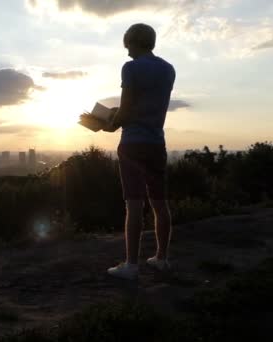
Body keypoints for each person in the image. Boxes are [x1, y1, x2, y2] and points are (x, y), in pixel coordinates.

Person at [104, 23, 176, 280]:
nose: (127, 53)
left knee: (133, 205)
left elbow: (126, 110)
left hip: (133, 142)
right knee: (160, 203)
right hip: (157, 142)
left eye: (128, 46)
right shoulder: (168, 69)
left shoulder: (131, 68)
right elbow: (147, 105)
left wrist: (108, 123)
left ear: (134, 42)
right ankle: (162, 258)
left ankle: (131, 265)